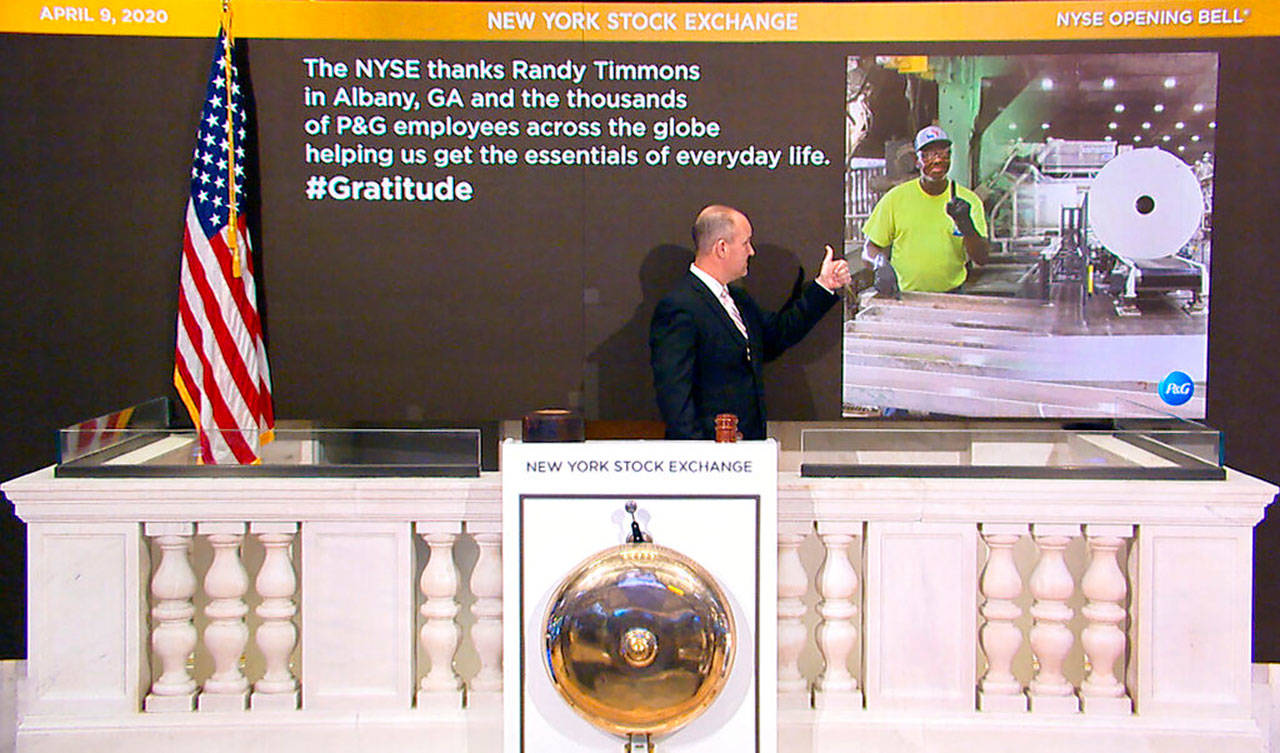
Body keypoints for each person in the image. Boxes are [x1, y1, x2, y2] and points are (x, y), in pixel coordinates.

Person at [649, 205, 852, 440]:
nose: (751, 251)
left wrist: (824, 286)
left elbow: (778, 334)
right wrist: (702, 456)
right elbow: (675, 397)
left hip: (747, 449)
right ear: (722, 248)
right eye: (745, 243)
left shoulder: (739, 299)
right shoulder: (680, 307)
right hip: (714, 454)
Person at [862, 125, 990, 295]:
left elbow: (981, 258)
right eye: (928, 155)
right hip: (906, 297)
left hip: (951, 296)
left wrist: (966, 226)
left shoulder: (969, 201)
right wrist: (879, 264)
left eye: (943, 154)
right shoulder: (895, 198)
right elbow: (869, 249)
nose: (937, 161)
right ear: (917, 160)